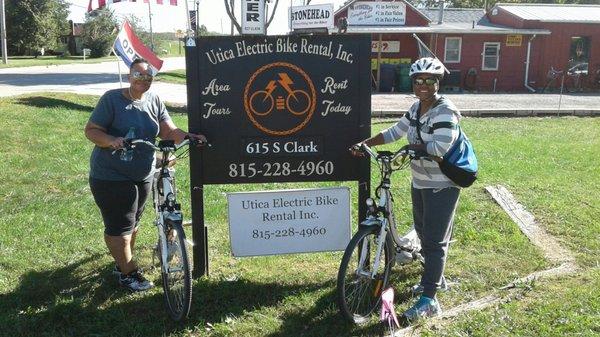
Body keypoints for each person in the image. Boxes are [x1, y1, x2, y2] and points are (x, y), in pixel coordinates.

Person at [352, 57, 461, 323]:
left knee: (434, 243)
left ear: (438, 83)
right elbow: (395, 131)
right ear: (413, 83)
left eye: (430, 80)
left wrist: (412, 148)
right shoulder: (415, 108)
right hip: (421, 182)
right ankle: (435, 279)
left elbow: (440, 148)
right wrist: (366, 143)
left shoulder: (446, 111)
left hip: (443, 185)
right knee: (424, 235)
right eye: (418, 80)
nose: (423, 85)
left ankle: (429, 301)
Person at [85, 58, 207, 292]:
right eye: (138, 74)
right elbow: (91, 131)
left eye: (148, 76)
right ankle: (128, 273)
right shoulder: (112, 99)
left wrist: (190, 136)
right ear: (129, 75)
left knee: (133, 223)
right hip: (111, 175)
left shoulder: (154, 100)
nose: (143, 79)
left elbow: (169, 130)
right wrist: (112, 140)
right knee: (119, 227)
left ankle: (122, 263)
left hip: (143, 174)